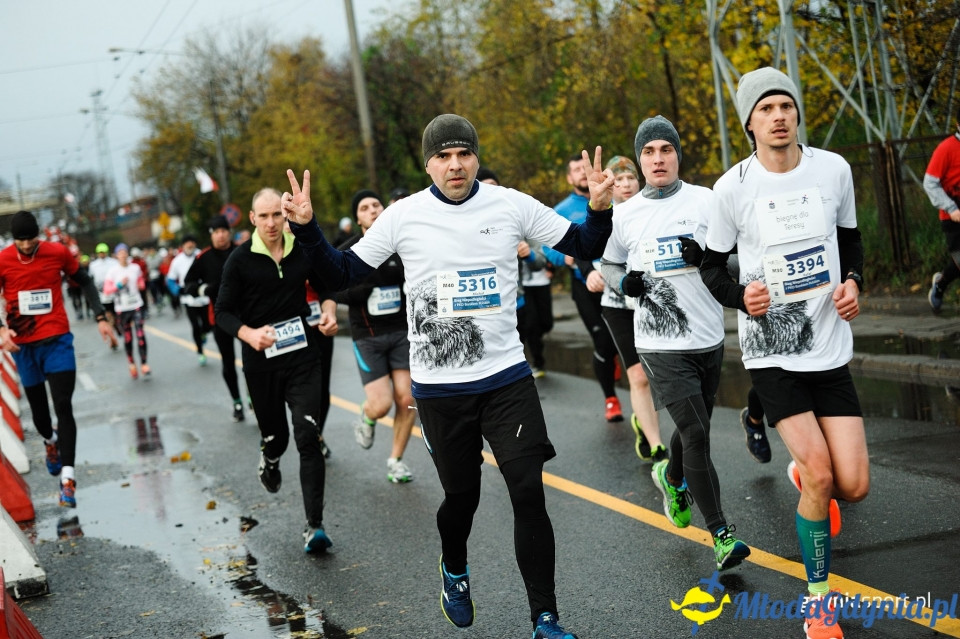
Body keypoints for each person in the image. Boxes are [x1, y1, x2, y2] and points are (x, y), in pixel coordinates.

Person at [283, 114, 613, 639]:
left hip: (506, 378)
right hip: (440, 390)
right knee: (463, 498)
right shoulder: (403, 216)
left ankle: (545, 618)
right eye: (443, 156)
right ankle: (454, 566)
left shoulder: (510, 204)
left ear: (476, 157)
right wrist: (306, 229)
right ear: (428, 163)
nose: (454, 164)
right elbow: (341, 274)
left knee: (527, 490)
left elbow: (586, 244)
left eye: (463, 153)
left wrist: (599, 207)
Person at [701, 67, 869, 639]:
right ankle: (818, 601)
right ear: (749, 122)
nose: (778, 117)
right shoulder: (732, 189)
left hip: (828, 343)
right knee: (825, 477)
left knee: (853, 485)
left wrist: (854, 282)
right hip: (771, 350)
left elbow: (849, 239)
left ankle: (806, 473)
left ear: (797, 114)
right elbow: (709, 267)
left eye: (786, 106)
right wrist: (740, 298)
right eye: (766, 109)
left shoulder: (833, 170)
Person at [600, 118, 750, 572]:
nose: (658, 158)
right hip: (659, 342)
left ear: (677, 155)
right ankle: (722, 534)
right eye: (649, 152)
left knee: (694, 428)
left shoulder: (707, 201)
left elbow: (742, 260)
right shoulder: (623, 214)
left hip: (708, 336)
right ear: (640, 159)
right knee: (698, 432)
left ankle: (673, 475)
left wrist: (705, 258)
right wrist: (624, 282)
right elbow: (607, 266)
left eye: (666, 149)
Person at [216, 187, 337, 553]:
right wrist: (249, 334)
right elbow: (223, 312)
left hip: (303, 356)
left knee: (308, 435)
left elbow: (326, 286)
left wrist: (329, 312)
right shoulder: (239, 260)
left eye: (277, 215)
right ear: (252, 219)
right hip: (261, 363)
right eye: (263, 216)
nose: (271, 223)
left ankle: (314, 525)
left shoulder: (301, 247)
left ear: (286, 216)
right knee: (279, 438)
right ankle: (269, 456)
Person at [0, 211, 114, 508]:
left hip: (58, 341)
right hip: (25, 348)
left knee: (63, 405)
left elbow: (85, 281)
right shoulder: (3, 260)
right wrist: (1, 330)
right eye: (20, 241)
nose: (26, 246)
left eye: (31, 239)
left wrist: (100, 316)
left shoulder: (57, 253)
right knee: (40, 417)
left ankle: (68, 479)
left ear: (39, 234)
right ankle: (50, 441)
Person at [335, 189, 415, 484]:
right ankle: (367, 417)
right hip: (367, 337)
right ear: (357, 217)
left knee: (407, 398)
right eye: (365, 207)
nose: (372, 210)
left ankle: (395, 460)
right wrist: (361, 291)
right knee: (381, 404)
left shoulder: (402, 246)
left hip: (401, 334)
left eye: (376, 204)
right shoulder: (349, 250)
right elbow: (332, 287)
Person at [543, 155, 623, 422]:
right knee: (602, 339)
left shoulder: (613, 199)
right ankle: (611, 399)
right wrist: (566, 256)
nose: (580, 173)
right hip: (584, 285)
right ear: (569, 178)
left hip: (617, 282)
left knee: (618, 340)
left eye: (583, 168)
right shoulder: (561, 210)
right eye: (575, 170)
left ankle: (613, 359)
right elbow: (546, 247)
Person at [598, 155, 666, 463]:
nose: (626, 184)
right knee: (637, 375)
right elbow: (590, 248)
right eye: (619, 180)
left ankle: (642, 418)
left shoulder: (650, 211)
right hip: (617, 304)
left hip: (649, 299)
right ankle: (657, 447)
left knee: (655, 375)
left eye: (630, 178)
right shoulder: (603, 214)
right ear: (610, 185)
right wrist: (589, 271)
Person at [183, 216, 246, 422]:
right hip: (219, 316)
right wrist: (204, 289)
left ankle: (253, 396)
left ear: (229, 232)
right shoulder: (203, 258)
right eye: (216, 232)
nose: (220, 235)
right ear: (211, 234)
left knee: (252, 361)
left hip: (246, 313)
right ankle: (237, 401)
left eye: (223, 231)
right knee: (228, 363)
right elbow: (189, 284)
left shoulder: (242, 251)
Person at [923, 108, 960, 314]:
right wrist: (951, 208)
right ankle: (940, 284)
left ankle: (940, 282)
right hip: (953, 216)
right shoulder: (946, 149)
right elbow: (930, 183)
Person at [103, 243, 150, 380]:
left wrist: (141, 285)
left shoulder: (135, 268)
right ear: (116, 255)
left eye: (125, 252)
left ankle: (144, 363)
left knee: (140, 335)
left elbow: (141, 281)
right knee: (128, 338)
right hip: (122, 309)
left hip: (136, 305)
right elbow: (107, 290)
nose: (123, 255)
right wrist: (119, 285)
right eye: (120, 253)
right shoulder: (113, 271)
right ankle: (131, 363)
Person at [167, 235, 210, 365]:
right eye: (187, 243)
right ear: (183, 246)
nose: (190, 245)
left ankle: (204, 333)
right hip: (188, 299)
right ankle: (200, 352)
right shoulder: (177, 261)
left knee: (207, 325)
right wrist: (177, 290)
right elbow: (170, 279)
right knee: (195, 326)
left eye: (192, 242)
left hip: (204, 297)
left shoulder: (202, 255)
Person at [87, 241, 120, 350]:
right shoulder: (93, 265)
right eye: (100, 252)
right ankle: (112, 338)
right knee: (108, 315)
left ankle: (117, 328)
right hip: (102, 294)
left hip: (114, 293)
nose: (102, 254)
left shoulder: (113, 262)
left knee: (116, 315)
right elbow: (91, 279)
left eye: (103, 252)